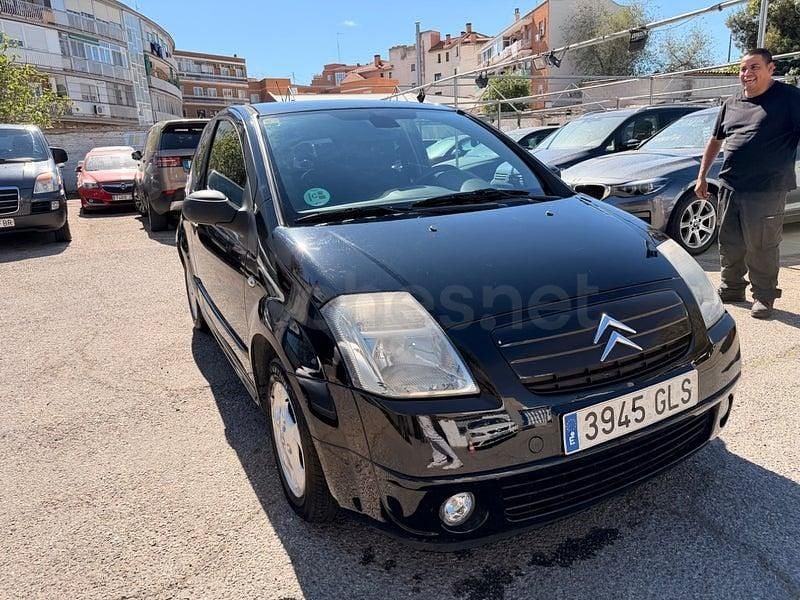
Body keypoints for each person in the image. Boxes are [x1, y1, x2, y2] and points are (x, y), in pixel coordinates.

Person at [695, 48, 800, 319]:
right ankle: (732, 288)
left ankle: (764, 297)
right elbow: (715, 140)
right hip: (730, 184)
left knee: (761, 246)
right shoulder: (731, 103)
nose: (747, 73)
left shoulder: (789, 99)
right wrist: (702, 175)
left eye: (754, 67)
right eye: (743, 69)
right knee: (729, 242)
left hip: (767, 188)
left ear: (771, 69)